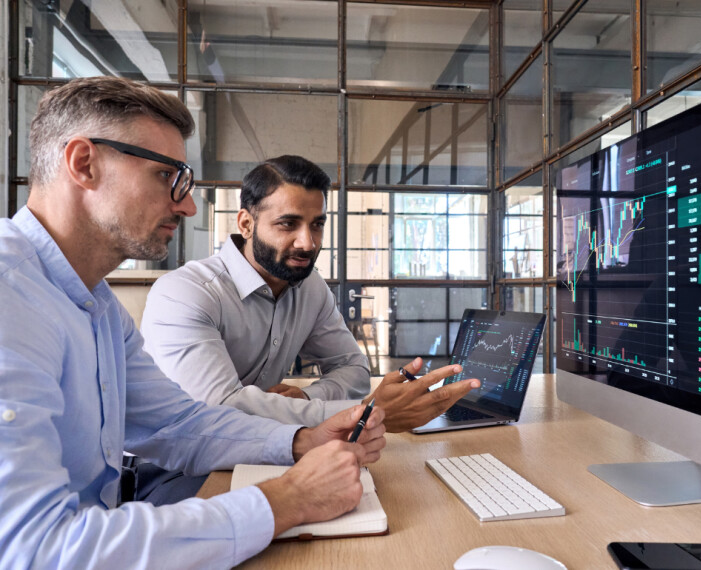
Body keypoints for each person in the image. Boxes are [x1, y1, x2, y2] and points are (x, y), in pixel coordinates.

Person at [0, 76, 386, 568]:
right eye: (167, 177)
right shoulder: (10, 296)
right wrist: (287, 500)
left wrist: (299, 439)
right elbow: (33, 550)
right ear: (84, 164)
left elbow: (177, 423)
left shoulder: (97, 305)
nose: (187, 205)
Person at [141, 156, 480, 432]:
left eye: (317, 224)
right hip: (170, 466)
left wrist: (307, 399)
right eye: (288, 224)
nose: (308, 243)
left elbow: (353, 368)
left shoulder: (309, 286)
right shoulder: (186, 293)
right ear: (245, 224)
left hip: (262, 447)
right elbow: (219, 409)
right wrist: (363, 411)